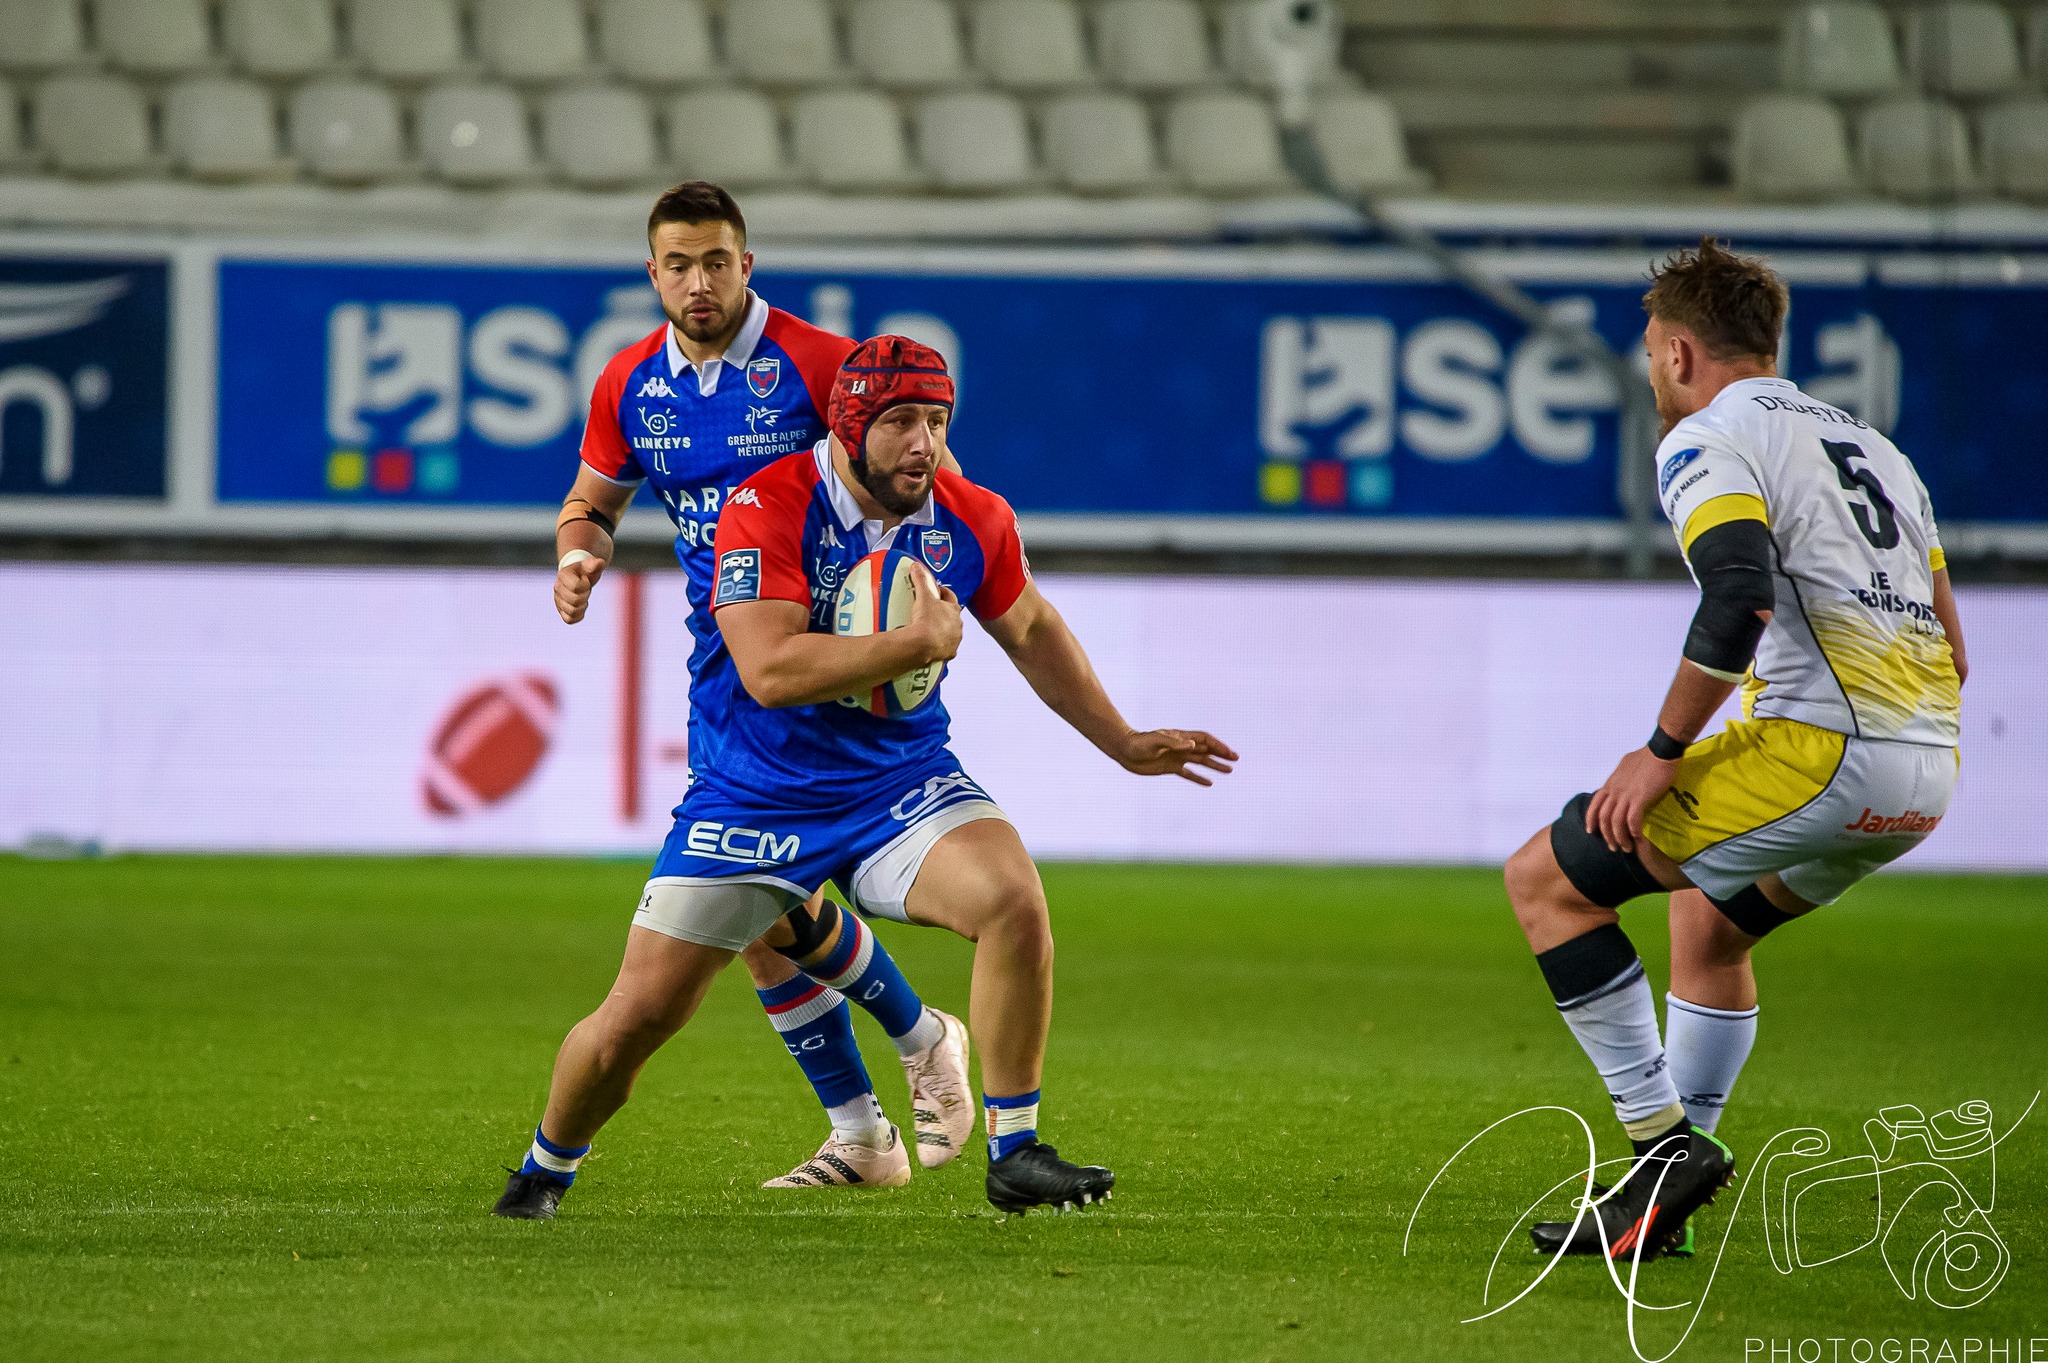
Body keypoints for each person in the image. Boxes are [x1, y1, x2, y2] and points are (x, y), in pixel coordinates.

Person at [499, 334, 1237, 1217]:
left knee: (1012, 901)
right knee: (638, 1017)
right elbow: (769, 671)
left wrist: (1121, 740)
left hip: (900, 781)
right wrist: (915, 643)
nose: (923, 443)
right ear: (848, 429)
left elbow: (1031, 627)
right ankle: (545, 1169)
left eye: (936, 420)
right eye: (898, 423)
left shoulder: (974, 516)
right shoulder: (765, 505)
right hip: (755, 786)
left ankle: (1016, 1148)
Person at [495, 183, 972, 1216]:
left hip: (827, 665)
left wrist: (916, 618)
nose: (698, 283)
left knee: (754, 903)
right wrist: (580, 553)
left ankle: (903, 1065)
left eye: (716, 261)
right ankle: (878, 1106)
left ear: (747, 264)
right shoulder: (629, 382)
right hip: (726, 675)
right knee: (757, 916)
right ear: (651, 272)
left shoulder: (819, 364)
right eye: (677, 264)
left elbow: (926, 482)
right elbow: (593, 498)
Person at [1504, 239, 1965, 1261]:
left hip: (1821, 752)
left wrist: (1661, 750)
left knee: (1544, 879)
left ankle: (1661, 1148)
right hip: (1927, 769)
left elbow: (1737, 593)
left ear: (1675, 351)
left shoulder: (1708, 436)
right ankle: (1661, 1191)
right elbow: (1955, 647)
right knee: (1706, 928)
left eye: (1644, 352)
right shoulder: (1880, 452)